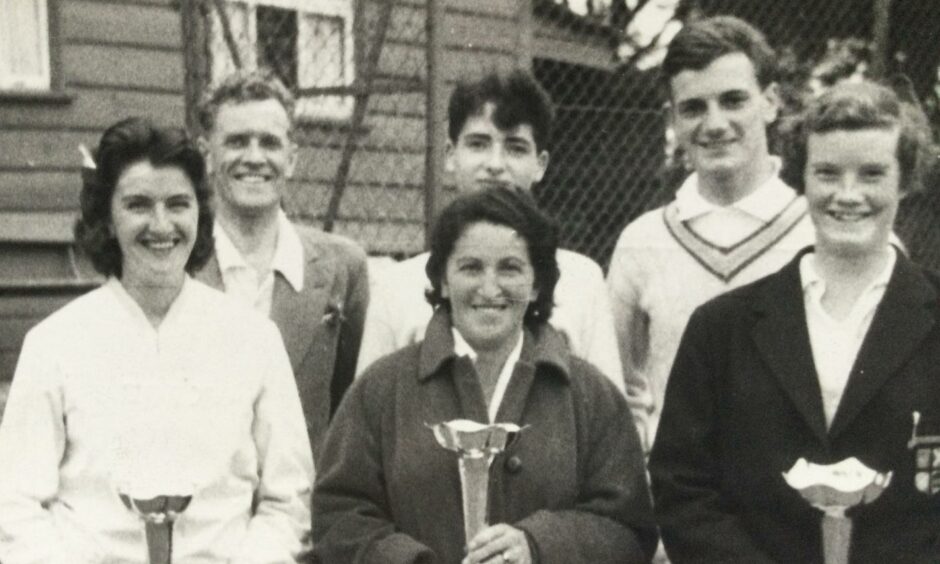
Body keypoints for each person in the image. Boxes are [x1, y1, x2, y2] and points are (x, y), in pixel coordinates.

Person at [649, 80, 940, 562]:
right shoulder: (720, 328)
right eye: (827, 173)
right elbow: (682, 487)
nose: (848, 195)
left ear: (904, 181)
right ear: (801, 178)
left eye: (871, 174)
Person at [0, 117, 314, 563]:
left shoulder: (254, 339)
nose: (161, 224)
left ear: (200, 214)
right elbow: (15, 504)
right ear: (106, 217)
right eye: (138, 205)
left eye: (178, 204)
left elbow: (288, 500)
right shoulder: (53, 344)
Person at [312, 187, 657, 564]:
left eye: (510, 267)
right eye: (471, 267)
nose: (490, 288)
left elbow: (629, 530)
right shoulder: (381, 388)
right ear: (442, 279)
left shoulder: (590, 395)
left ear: (537, 282)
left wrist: (539, 545)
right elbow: (338, 517)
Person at [606, 16, 816, 452]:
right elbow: (617, 394)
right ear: (673, 119)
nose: (715, 123)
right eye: (694, 107)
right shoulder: (642, 240)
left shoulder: (824, 234)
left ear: (771, 102)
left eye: (734, 100)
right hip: (677, 506)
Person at [356, 69, 627, 396]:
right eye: (479, 144)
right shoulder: (397, 286)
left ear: (540, 164)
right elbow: (370, 410)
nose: (496, 164)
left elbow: (607, 411)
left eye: (515, 148)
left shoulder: (582, 279)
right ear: (450, 155)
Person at [194, 69, 369, 463]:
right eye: (237, 142)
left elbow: (349, 406)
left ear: (290, 159)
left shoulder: (344, 267)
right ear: (208, 154)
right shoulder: (181, 266)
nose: (254, 158)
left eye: (269, 143)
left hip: (305, 506)